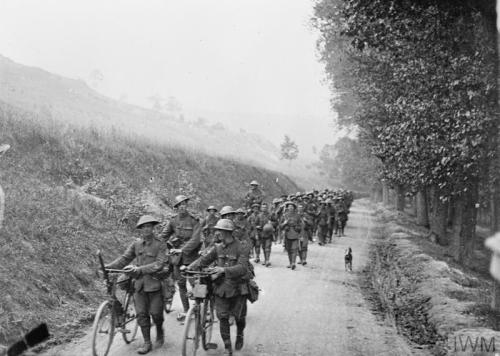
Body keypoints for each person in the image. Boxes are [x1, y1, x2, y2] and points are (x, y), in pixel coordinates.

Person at [186, 219, 250, 356]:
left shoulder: (241, 247)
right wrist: (189, 267)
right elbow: (203, 260)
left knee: (240, 318)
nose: (217, 233)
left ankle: (240, 334)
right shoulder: (217, 247)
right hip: (221, 288)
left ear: (227, 232)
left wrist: (224, 270)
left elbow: (243, 267)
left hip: (238, 288)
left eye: (220, 231)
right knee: (222, 317)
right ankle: (228, 347)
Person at [106, 215, 167, 354]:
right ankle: (147, 342)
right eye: (144, 227)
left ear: (153, 228)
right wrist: (108, 267)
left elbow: (159, 264)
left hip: (155, 284)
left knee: (156, 314)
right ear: (140, 229)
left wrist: (139, 269)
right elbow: (125, 258)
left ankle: (159, 330)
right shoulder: (136, 244)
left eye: (149, 226)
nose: (147, 229)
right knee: (141, 314)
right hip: (139, 285)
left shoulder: (160, 243)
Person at [158, 195, 202, 322]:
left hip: (192, 258)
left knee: (196, 283)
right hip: (178, 259)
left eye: (184, 204)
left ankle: (202, 309)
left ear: (187, 206)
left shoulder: (194, 220)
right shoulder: (173, 221)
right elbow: (164, 236)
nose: (182, 206)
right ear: (176, 208)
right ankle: (186, 311)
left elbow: (196, 239)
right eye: (179, 205)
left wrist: (182, 249)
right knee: (181, 284)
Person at [280, 201, 302, 270]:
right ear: (287, 208)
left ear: (294, 208)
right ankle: (290, 263)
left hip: (295, 233)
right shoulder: (284, 215)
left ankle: (293, 263)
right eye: (289, 207)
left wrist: (298, 229)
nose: (290, 208)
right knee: (289, 250)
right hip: (287, 234)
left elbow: (301, 225)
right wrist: (284, 223)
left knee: (294, 249)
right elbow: (280, 226)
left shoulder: (298, 216)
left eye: (292, 207)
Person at [256, 202, 274, 266]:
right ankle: (265, 259)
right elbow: (255, 224)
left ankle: (267, 260)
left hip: (269, 234)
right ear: (261, 208)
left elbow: (276, 222)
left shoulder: (270, 215)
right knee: (264, 247)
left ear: (267, 208)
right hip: (261, 234)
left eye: (265, 207)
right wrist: (257, 226)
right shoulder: (258, 216)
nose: (264, 208)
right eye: (263, 207)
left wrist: (271, 223)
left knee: (268, 247)